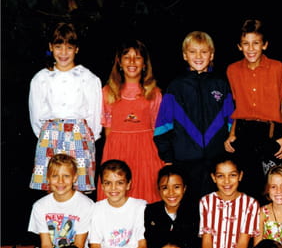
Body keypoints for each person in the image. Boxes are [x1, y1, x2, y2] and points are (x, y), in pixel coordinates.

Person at [154, 31, 235, 203]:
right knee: (189, 208)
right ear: (185, 55)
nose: (198, 56)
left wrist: (228, 148)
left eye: (204, 52)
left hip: (215, 161)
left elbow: (232, 121)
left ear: (211, 55)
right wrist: (168, 158)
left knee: (215, 207)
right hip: (185, 161)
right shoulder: (175, 87)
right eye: (192, 52)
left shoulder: (221, 84)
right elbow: (162, 126)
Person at [29, 22, 101, 192]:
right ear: (51, 47)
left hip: (79, 137)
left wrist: (85, 139)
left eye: (69, 47)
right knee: (54, 186)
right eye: (58, 47)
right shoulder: (41, 78)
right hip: (50, 138)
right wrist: (48, 135)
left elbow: (95, 116)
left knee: (77, 188)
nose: (63, 53)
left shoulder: (88, 78)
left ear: (76, 49)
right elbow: (36, 115)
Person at [225, 19, 282, 200]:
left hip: (270, 132)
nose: (251, 48)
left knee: (271, 187)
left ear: (264, 45)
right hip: (244, 133)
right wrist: (232, 134)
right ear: (239, 46)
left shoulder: (277, 68)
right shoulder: (233, 70)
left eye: (256, 43)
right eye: (246, 44)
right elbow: (237, 106)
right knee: (246, 188)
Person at [25, 153, 94, 248]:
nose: (60, 181)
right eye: (55, 176)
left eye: (66, 176)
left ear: (75, 178)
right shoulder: (40, 206)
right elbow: (46, 245)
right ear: (48, 179)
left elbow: (78, 246)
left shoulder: (86, 205)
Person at [98, 39, 164, 203]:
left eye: (138, 57)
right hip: (117, 152)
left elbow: (158, 130)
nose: (132, 62)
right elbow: (108, 131)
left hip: (146, 155)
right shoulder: (108, 92)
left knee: (147, 197)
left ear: (144, 64)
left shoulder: (154, 93)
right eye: (127, 57)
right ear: (119, 62)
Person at [142, 166, 200, 248]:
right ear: (159, 189)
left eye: (176, 187)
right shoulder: (152, 210)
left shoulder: (194, 211)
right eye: (165, 188)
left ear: (184, 188)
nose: (171, 192)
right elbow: (151, 247)